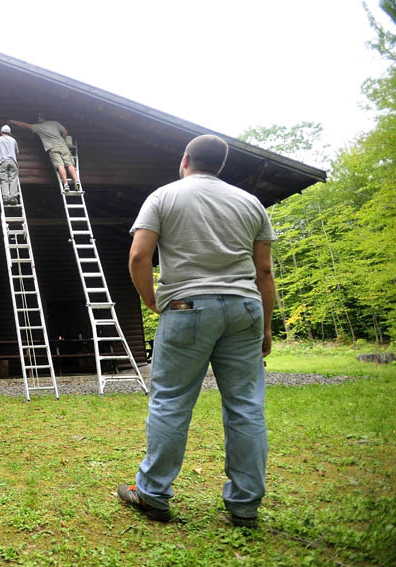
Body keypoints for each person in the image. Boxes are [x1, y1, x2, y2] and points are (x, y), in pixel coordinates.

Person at [119, 134, 276, 529]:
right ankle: (245, 507)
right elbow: (264, 272)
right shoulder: (249, 203)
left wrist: (153, 300)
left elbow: (139, 255)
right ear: (220, 166)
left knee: (171, 400)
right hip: (245, 308)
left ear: (185, 159)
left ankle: (153, 494)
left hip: (186, 306)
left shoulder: (163, 197)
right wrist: (267, 327)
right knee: (245, 405)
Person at [9, 114, 80, 191]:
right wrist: (62, 139)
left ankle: (66, 185)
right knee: (69, 164)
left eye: (38, 118)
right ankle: (76, 182)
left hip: (52, 149)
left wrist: (13, 121)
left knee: (60, 165)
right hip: (63, 146)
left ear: (41, 119)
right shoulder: (55, 123)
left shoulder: (39, 127)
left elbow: (25, 125)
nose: (37, 120)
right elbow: (65, 132)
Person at [0, 124, 20, 205]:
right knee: (13, 179)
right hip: (12, 162)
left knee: (4, 180)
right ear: (9, 133)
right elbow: (17, 153)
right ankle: (13, 198)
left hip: (2, 162)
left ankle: (6, 198)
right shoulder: (13, 140)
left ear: (1, 132)